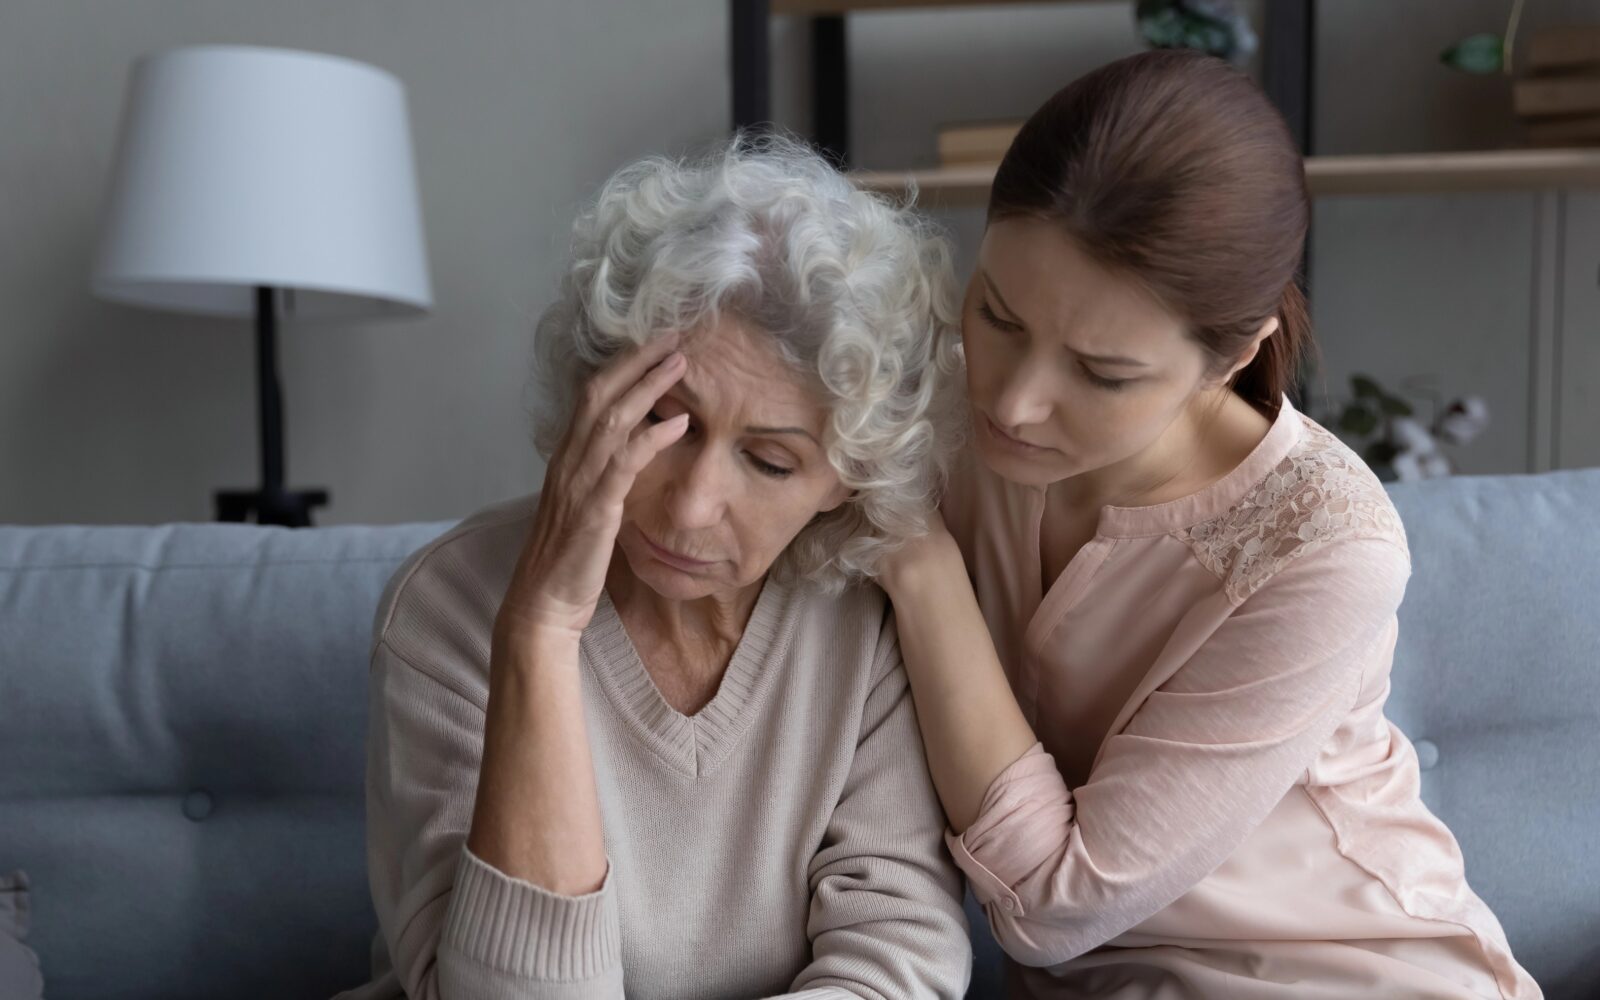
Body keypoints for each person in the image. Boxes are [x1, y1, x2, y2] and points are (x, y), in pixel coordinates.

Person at [879, 50, 1542, 999]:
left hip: (1352, 975)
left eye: (1102, 374)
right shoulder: (931, 414)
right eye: (997, 314)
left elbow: (1050, 907)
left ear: (1230, 357)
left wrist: (919, 563)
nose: (1014, 402)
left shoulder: (1325, 545)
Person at [334, 135, 973, 1000]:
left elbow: (898, 962)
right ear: (597, 393)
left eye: (771, 462)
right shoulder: (445, 608)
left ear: (844, 479)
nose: (689, 505)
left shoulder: (868, 628)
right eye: (665, 422)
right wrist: (539, 630)